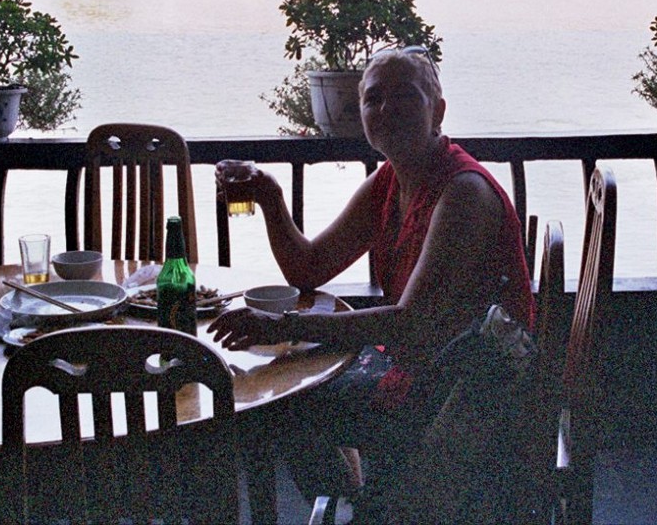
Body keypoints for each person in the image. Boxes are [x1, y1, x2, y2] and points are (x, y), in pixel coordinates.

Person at [209, 47, 535, 522]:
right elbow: (308, 268)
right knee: (291, 385)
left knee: (282, 404)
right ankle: (364, 502)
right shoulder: (391, 180)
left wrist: (281, 324)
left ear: (438, 111)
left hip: (468, 390)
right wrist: (269, 196)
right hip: (428, 363)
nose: (386, 110)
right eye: (373, 99)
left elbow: (410, 322)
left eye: (405, 96)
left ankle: (366, 506)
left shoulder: (463, 190)